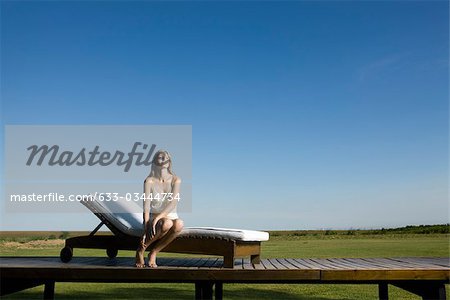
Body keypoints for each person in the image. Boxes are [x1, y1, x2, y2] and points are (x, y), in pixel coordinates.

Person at [135, 150, 184, 268]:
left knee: (179, 224)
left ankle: (154, 252)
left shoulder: (176, 180)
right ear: (155, 162)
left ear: (169, 162)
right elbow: (146, 205)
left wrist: (159, 217)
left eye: (165, 158)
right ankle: (140, 250)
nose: (163, 160)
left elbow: (173, 202)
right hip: (156, 216)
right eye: (160, 158)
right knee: (166, 224)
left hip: (169, 215)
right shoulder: (149, 181)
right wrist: (146, 226)